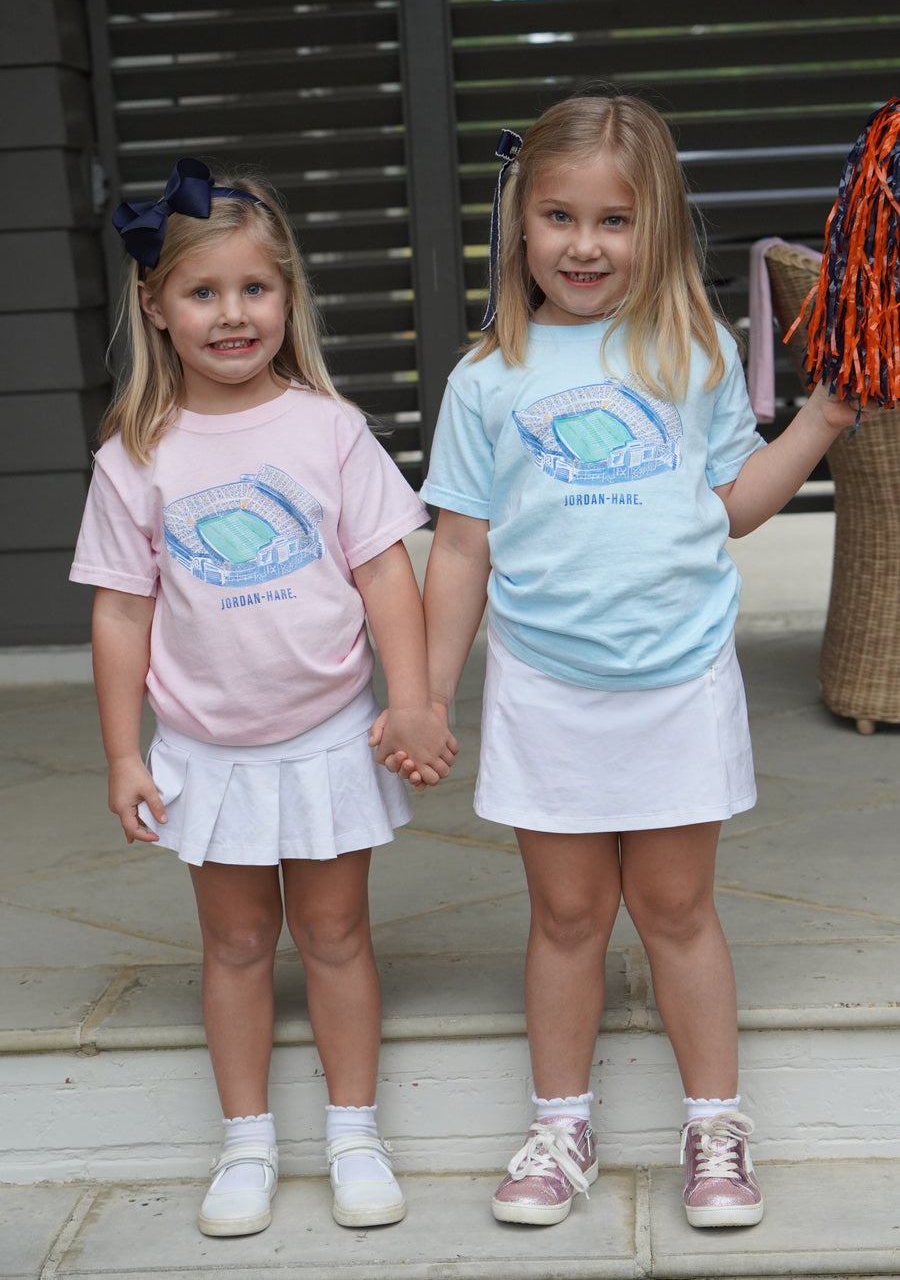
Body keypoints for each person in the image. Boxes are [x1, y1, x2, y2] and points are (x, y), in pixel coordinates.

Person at [412, 94, 865, 1230]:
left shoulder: (693, 351)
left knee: (675, 906)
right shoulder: (486, 379)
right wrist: (422, 690)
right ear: (520, 226)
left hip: (677, 677)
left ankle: (717, 1126)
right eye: (558, 216)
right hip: (547, 683)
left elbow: (730, 509)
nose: (583, 244)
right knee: (566, 914)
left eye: (613, 221)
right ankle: (559, 1125)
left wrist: (819, 420)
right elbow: (460, 547)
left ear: (655, 227)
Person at [69, 158, 457, 1238]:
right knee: (237, 944)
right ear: (155, 305)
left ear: (289, 299)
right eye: (203, 292)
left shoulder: (327, 428)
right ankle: (246, 1142)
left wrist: (413, 698)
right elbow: (119, 614)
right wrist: (121, 753)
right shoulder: (135, 454)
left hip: (328, 730)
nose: (232, 315)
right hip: (206, 744)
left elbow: (388, 571)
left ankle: (353, 1133)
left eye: (255, 289)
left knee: (334, 935)